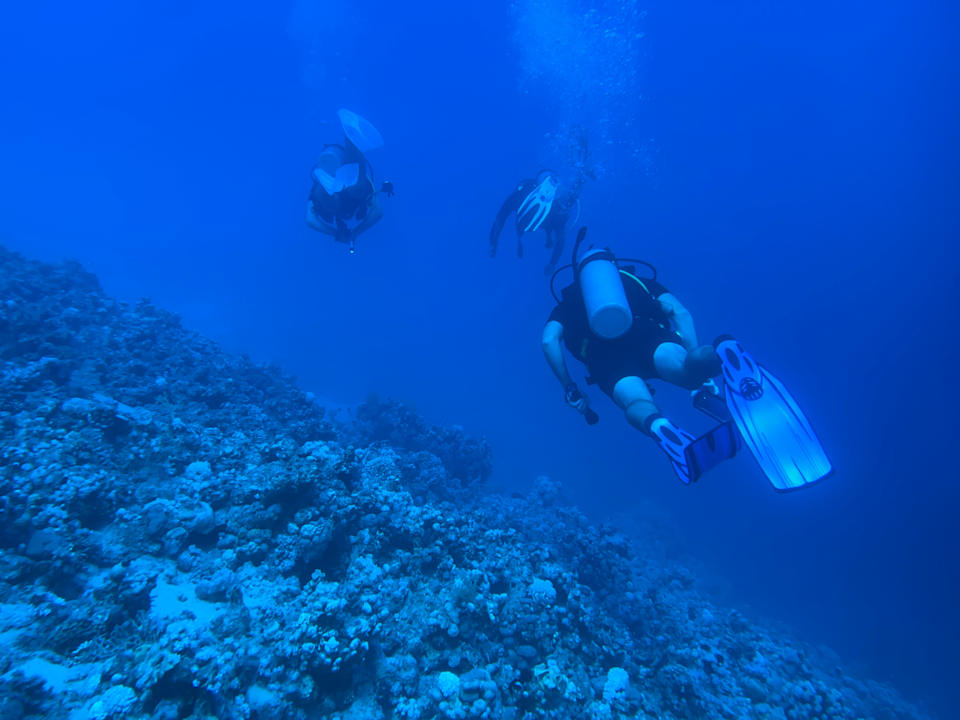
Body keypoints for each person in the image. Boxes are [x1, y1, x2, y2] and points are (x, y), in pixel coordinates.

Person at [542, 232, 726, 484]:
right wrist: (693, 360)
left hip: (603, 357)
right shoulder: (636, 281)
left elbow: (548, 340)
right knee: (687, 368)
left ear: (579, 274)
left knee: (637, 402)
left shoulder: (568, 303)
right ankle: (718, 357)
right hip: (646, 334)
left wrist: (570, 388)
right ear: (613, 264)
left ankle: (658, 425)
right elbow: (680, 312)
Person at [489, 128, 594, 274]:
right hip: (546, 220)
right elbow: (502, 215)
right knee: (572, 193)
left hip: (550, 218)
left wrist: (493, 242)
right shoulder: (523, 194)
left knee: (572, 195)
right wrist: (493, 242)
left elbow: (501, 216)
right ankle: (582, 167)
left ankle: (582, 167)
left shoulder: (558, 208)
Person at [307, 109, 394, 254]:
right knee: (353, 187)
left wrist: (337, 233)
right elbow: (377, 212)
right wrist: (354, 233)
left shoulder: (327, 199)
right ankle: (351, 138)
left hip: (332, 183)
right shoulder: (346, 194)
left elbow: (310, 219)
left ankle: (350, 140)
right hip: (338, 182)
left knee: (340, 192)